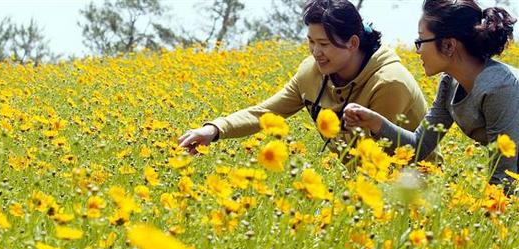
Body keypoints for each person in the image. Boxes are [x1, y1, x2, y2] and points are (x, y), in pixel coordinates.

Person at [179, 0, 428, 156]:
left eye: (324, 43)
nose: (316, 52)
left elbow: (374, 156)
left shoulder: (389, 83)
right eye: (311, 41)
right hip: (361, 191)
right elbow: (265, 113)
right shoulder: (311, 72)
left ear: (353, 43)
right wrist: (214, 129)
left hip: (410, 190)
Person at [343, 0, 519, 191]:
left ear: (449, 46)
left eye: (420, 41)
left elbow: (504, 178)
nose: (417, 50)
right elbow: (419, 146)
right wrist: (375, 122)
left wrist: (488, 214)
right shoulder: (449, 83)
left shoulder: (498, 87)